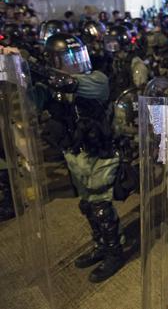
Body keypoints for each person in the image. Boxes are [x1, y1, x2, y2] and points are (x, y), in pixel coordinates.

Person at [40, 33, 124, 282]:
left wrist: (37, 69)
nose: (76, 63)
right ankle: (101, 246)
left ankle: (114, 252)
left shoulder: (96, 79)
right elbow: (32, 100)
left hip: (100, 154)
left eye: (78, 56)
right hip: (75, 154)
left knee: (100, 207)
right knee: (87, 205)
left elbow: (72, 85)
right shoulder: (51, 87)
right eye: (68, 59)